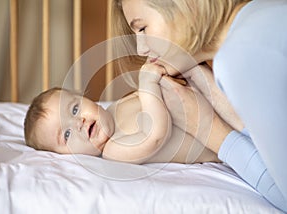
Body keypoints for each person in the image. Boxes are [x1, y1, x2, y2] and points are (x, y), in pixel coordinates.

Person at [111, 0, 287, 212]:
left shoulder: (239, 55)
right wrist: (212, 90)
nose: (141, 49)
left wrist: (206, 127)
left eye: (142, 28)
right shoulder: (263, 14)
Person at [24, 63, 235, 165]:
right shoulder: (114, 150)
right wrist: (147, 83)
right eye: (66, 135)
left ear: (85, 97)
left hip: (219, 97)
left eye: (75, 109)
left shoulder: (116, 106)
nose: (78, 123)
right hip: (225, 135)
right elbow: (155, 136)